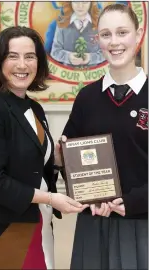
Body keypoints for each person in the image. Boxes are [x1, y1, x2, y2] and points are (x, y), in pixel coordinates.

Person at [0, 26, 88, 270]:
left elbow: (34, 168)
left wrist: (59, 160)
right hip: (7, 233)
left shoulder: (35, 108)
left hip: (40, 224)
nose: (22, 65)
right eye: (13, 56)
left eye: (30, 56)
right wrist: (51, 198)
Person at [57, 3, 148, 269]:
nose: (114, 42)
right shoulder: (86, 98)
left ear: (138, 34)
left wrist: (129, 202)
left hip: (142, 227)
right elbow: (68, 163)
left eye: (122, 32)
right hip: (93, 225)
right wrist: (63, 160)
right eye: (106, 34)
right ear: (97, 41)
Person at [50, 1, 105, 67]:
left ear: (91, 3)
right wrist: (68, 57)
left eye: (85, 2)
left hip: (93, 74)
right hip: (68, 74)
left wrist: (91, 58)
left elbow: (106, 52)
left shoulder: (100, 24)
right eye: (76, 1)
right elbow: (55, 52)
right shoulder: (61, 24)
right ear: (70, 2)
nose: (80, 6)